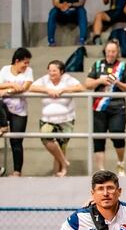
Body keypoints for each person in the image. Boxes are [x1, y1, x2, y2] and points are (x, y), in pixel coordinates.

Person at [28, 60, 84, 177]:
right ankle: (64, 163)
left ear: (61, 71)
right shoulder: (44, 79)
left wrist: (63, 90)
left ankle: (59, 172)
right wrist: (47, 90)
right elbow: (31, 87)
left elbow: (80, 87)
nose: (51, 73)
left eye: (54, 70)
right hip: (47, 119)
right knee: (46, 138)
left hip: (66, 119)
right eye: (50, 70)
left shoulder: (68, 79)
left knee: (61, 146)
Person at [84, 39, 126, 175]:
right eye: (109, 51)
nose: (111, 54)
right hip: (99, 106)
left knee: (118, 135)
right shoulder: (97, 65)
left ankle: (120, 163)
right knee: (98, 138)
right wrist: (100, 80)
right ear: (105, 51)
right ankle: (101, 170)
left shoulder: (123, 66)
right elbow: (87, 84)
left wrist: (117, 83)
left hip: (117, 106)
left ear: (117, 52)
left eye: (113, 51)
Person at [0, 48, 33, 176]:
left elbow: (24, 87)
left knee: (16, 141)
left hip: (19, 110)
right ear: (17, 61)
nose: (26, 65)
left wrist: (7, 90)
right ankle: (3, 125)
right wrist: (13, 85)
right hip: (4, 108)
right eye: (25, 62)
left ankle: (17, 172)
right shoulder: (5, 70)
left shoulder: (28, 71)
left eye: (28, 62)